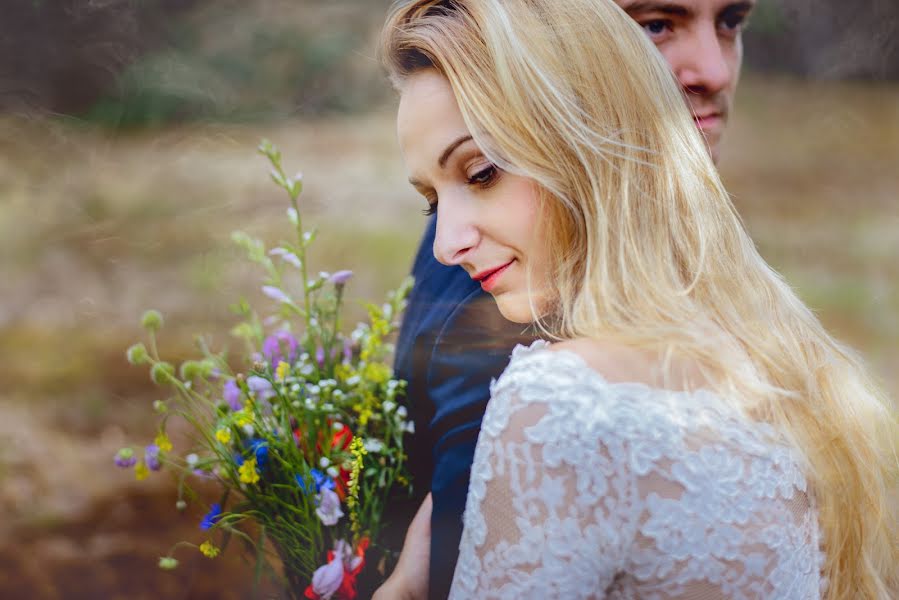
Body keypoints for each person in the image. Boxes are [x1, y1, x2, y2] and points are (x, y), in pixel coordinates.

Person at [375, 0, 899, 598]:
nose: (447, 245)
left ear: (588, 133)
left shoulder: (555, 401)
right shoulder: (775, 360)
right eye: (432, 201)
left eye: (483, 173)